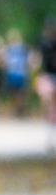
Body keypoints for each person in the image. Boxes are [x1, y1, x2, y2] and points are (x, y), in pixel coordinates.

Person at [35, 17, 56, 153]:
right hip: (47, 77)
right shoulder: (43, 44)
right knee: (48, 106)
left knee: (52, 107)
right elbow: (37, 59)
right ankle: (49, 135)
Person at [3, 29, 30, 117]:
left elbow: (27, 61)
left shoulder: (23, 48)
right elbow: (6, 62)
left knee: (20, 94)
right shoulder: (9, 49)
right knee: (14, 93)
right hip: (14, 74)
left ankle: (20, 111)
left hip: (19, 74)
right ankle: (16, 111)